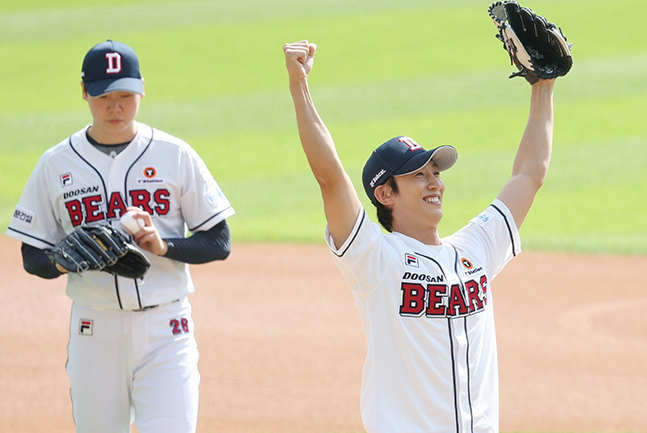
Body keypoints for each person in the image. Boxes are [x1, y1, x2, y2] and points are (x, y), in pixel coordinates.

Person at [283, 40, 555, 432]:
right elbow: (330, 177)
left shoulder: (475, 248)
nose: (434, 183)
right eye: (418, 175)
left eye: (436, 172)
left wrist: (542, 85)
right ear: (385, 193)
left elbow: (529, 175)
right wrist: (299, 86)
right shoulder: (375, 259)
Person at [6, 39, 235, 433]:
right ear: (84, 93)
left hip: (167, 330)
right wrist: (66, 259)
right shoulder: (56, 163)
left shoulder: (174, 154)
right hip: (95, 331)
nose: (116, 107)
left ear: (142, 89)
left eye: (126, 95)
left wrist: (165, 246)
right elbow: (32, 255)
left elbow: (219, 240)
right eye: (104, 96)